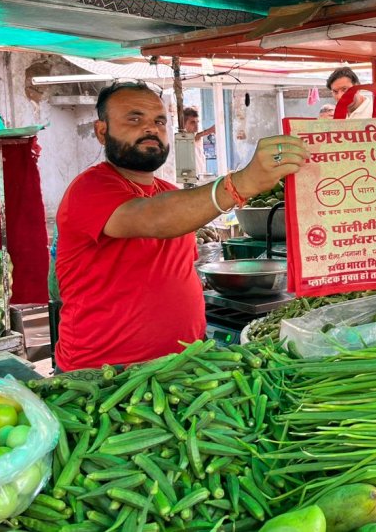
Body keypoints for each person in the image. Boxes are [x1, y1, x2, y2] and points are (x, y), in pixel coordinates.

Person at [55, 81, 308, 371]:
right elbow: (155, 219)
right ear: (102, 131)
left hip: (184, 364)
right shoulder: (89, 189)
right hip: (105, 374)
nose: (151, 129)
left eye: (159, 121)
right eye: (134, 119)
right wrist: (241, 183)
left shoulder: (167, 190)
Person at [183, 107, 212, 177]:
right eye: (192, 122)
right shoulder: (181, 139)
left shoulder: (197, 137)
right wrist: (210, 130)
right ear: (184, 124)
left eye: (197, 122)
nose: (196, 126)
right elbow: (193, 139)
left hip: (200, 176)